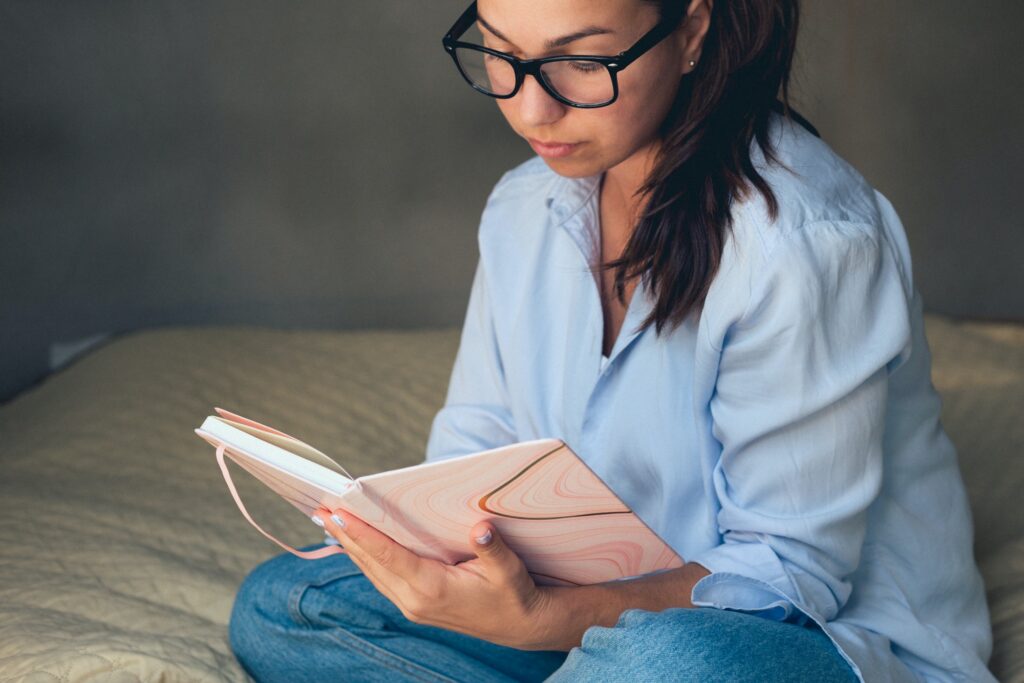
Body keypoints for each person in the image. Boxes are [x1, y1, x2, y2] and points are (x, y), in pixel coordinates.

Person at [227, 0, 996, 680]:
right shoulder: (524, 210)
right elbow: (475, 443)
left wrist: (539, 621)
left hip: (803, 640)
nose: (532, 111)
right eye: (499, 52)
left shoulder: (803, 244)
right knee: (286, 603)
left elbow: (786, 581)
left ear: (691, 30)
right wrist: (432, 554)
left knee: (659, 662)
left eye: (579, 62)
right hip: (572, 613)